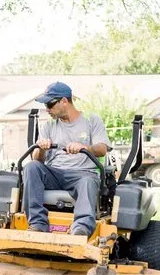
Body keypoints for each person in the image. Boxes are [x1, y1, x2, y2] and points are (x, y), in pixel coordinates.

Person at [23, 81, 111, 236]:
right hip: (55, 173)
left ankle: (81, 229)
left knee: (88, 181)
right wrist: (41, 149)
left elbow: (102, 149)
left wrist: (85, 148)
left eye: (50, 104)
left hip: (82, 174)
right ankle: (37, 224)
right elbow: (37, 160)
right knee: (31, 167)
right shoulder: (49, 126)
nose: (47, 109)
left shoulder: (92, 120)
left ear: (64, 101)